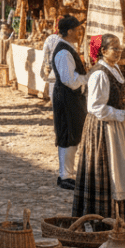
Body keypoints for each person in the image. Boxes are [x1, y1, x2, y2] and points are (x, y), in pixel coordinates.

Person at [73, 34, 125, 224]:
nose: (119, 52)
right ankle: (100, 221)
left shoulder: (115, 68)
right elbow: (95, 107)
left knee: (121, 171)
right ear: (103, 51)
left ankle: (120, 220)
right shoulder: (99, 74)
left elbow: (116, 99)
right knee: (107, 172)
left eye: (120, 49)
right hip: (103, 130)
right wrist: (121, 115)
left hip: (118, 128)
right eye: (115, 49)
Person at [51, 15, 88, 190]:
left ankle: (67, 173)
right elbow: (69, 79)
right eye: (78, 29)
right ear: (70, 31)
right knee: (67, 135)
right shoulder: (64, 52)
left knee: (72, 134)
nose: (80, 32)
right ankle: (65, 175)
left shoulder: (68, 49)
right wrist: (87, 77)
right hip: (67, 97)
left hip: (70, 97)